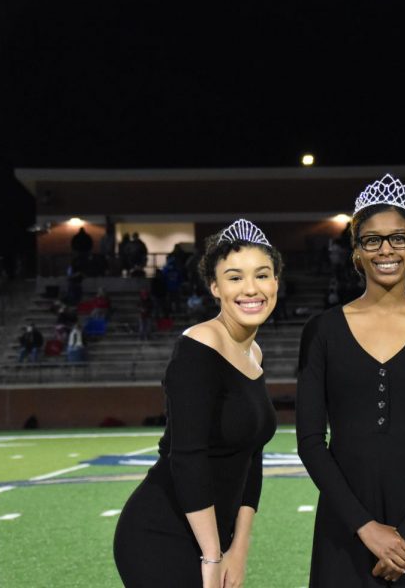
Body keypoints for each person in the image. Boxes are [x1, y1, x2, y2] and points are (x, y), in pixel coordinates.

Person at [296, 174, 405, 586]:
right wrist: (366, 528)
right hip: (345, 527)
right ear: (356, 250)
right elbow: (310, 442)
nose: (386, 249)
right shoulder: (321, 330)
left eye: (399, 238)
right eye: (372, 240)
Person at [114, 219, 280, 588]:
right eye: (235, 277)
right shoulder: (199, 346)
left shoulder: (253, 352)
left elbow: (252, 458)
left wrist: (238, 548)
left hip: (214, 540)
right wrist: (212, 556)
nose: (251, 289)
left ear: (276, 283)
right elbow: (187, 458)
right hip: (162, 533)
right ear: (214, 287)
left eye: (262, 275)